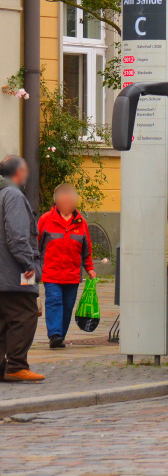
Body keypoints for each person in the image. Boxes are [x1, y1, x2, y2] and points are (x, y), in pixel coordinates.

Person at [0, 155, 44, 382]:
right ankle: (16, 366)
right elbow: (17, 237)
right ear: (19, 173)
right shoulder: (14, 195)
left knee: (3, 321)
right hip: (15, 273)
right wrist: (30, 265)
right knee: (25, 316)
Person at [37, 184, 96, 349]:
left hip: (72, 274)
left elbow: (86, 248)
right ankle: (54, 334)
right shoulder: (46, 220)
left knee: (68, 306)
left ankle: (60, 336)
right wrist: (33, 265)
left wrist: (89, 268)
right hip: (51, 273)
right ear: (56, 200)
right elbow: (36, 244)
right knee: (54, 301)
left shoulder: (81, 222)